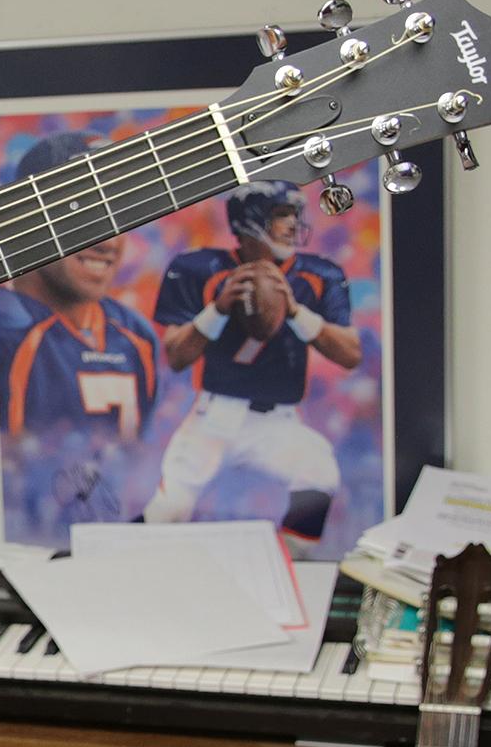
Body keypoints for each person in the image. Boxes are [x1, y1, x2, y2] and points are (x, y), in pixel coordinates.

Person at [144, 182, 360, 548]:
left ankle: (283, 564)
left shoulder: (318, 274)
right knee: (168, 510)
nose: (292, 225)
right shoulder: (200, 268)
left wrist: (294, 312)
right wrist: (219, 308)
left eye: (295, 215)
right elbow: (177, 356)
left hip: (278, 421)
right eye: (281, 216)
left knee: (319, 474)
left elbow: (350, 354)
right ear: (250, 221)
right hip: (215, 417)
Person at [0, 133, 162, 541]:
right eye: (82, 210)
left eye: (117, 212)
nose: (107, 239)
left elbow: (137, 466)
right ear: (27, 217)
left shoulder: (135, 336)